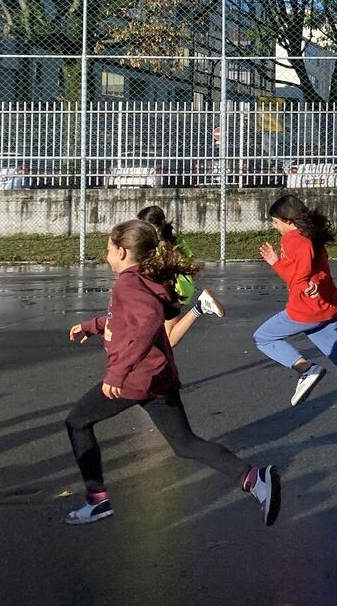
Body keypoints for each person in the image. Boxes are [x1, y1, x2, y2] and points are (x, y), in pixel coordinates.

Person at [64, 220, 279, 525]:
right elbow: (129, 318)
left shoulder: (127, 282)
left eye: (109, 248)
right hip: (158, 377)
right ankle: (255, 479)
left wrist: (117, 373)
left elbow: (149, 322)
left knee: (77, 423)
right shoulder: (145, 278)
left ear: (123, 252)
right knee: (184, 443)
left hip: (135, 379)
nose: (106, 254)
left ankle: (97, 500)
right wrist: (94, 326)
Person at [253, 196, 337, 436]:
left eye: (276, 222)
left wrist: (302, 280)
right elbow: (308, 271)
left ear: (288, 221)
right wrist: (283, 266)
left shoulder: (294, 239)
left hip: (305, 311)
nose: (274, 226)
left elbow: (299, 274)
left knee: (263, 337)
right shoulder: (310, 236)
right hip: (327, 310)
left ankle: (305, 368)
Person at [136, 205, 224, 346]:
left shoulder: (156, 245)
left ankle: (200, 306)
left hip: (170, 290)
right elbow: (190, 261)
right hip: (181, 286)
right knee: (156, 335)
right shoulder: (174, 240)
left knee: (169, 339)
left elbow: (152, 270)